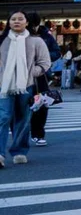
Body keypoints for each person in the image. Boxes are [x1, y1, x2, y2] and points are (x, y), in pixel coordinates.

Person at [0, 11, 51, 168]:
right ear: (9, 23)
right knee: (4, 117)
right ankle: (0, 154)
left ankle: (19, 151)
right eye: (13, 19)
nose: (16, 21)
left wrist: (30, 72)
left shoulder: (36, 41)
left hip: (27, 85)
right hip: (4, 86)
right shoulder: (2, 41)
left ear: (26, 23)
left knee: (23, 119)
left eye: (20, 19)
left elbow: (45, 62)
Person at [28, 20, 60, 148]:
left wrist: (42, 57)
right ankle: (21, 135)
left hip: (41, 75)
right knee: (20, 106)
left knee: (41, 104)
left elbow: (56, 52)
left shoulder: (46, 36)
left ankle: (38, 134)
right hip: (20, 76)